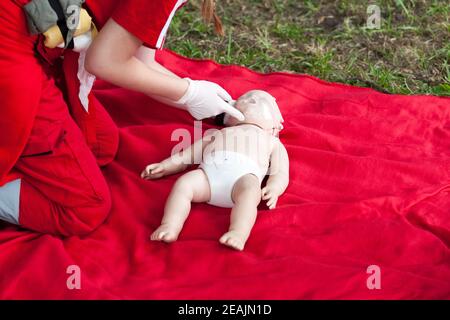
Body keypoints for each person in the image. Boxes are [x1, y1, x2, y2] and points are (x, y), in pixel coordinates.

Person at [0, 0, 242, 236]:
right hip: (12, 38)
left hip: (35, 29)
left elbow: (138, 61)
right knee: (85, 208)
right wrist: (191, 94)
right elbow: (104, 62)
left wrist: (213, 107)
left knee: (99, 145)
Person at [142, 90, 289, 251]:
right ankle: (169, 225)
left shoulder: (272, 142)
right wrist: (165, 166)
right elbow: (189, 154)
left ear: (276, 127)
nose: (250, 101)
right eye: (246, 98)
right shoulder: (219, 133)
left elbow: (280, 170)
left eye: (257, 101)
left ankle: (238, 233)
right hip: (207, 177)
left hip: (243, 179)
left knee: (250, 192)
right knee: (184, 184)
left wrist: (275, 188)